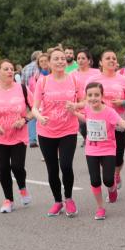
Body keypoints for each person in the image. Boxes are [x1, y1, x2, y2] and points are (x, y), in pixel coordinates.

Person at [73, 82, 125, 220]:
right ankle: (100, 208)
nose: (93, 98)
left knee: (107, 180)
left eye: (96, 95)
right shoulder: (88, 109)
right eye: (90, 95)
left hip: (108, 149)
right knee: (95, 181)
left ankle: (112, 190)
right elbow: (87, 119)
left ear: (102, 96)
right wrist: (74, 113)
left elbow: (121, 122)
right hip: (91, 150)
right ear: (86, 96)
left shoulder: (109, 111)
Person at [32, 47, 81, 217]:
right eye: (56, 59)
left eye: (62, 58)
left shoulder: (74, 80)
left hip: (69, 129)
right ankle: (57, 201)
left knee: (66, 165)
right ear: (49, 63)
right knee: (52, 169)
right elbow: (34, 107)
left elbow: (83, 102)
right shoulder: (43, 81)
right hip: (46, 131)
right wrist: (39, 117)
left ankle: (69, 198)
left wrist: (75, 106)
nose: (60, 61)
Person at [0, 60, 34, 213]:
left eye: (11, 69)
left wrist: (24, 120)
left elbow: (34, 108)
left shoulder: (22, 89)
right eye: (6, 69)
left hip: (18, 135)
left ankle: (22, 188)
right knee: (3, 168)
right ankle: (8, 200)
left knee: (17, 167)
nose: (10, 71)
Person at [88, 51, 125, 191]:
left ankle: (116, 174)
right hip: (98, 123)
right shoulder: (94, 80)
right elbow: (86, 99)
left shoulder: (124, 80)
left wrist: (123, 102)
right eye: (107, 58)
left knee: (118, 156)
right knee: (103, 156)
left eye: (114, 58)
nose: (112, 60)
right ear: (100, 62)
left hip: (118, 121)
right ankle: (109, 174)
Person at [72, 50, 102, 147]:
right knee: (83, 126)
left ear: (89, 61)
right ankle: (87, 138)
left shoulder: (97, 72)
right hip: (79, 104)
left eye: (83, 58)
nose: (80, 60)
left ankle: (96, 143)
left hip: (93, 103)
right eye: (78, 58)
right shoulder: (72, 74)